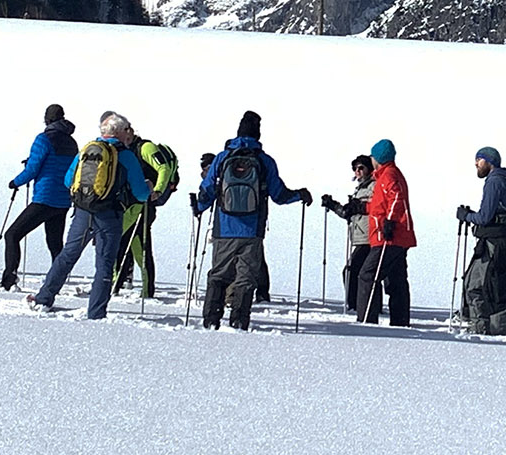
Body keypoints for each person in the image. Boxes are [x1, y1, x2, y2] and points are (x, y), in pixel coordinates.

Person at [193, 111, 311, 330]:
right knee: (246, 277)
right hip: (252, 229)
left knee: (219, 273)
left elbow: (208, 189)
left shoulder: (222, 157)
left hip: (224, 227)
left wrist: (198, 207)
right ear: (258, 135)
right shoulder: (264, 160)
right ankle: (239, 320)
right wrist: (299, 195)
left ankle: (210, 319)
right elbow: (279, 195)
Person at [27, 111, 150, 320]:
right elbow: (141, 193)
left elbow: (68, 180)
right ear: (119, 132)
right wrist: (147, 188)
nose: (129, 133)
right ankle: (96, 312)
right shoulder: (126, 155)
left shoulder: (87, 150)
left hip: (83, 211)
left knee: (68, 254)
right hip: (110, 214)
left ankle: (44, 297)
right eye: (127, 129)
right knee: (104, 263)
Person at [1, 104, 78, 291]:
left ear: (47, 120)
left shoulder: (43, 139)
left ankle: (9, 279)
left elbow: (33, 169)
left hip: (44, 197)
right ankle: (56, 281)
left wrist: (15, 182)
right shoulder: (71, 142)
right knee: (55, 242)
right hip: (63, 200)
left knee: (12, 235)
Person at [455, 146, 506, 336]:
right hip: (505, 240)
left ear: (489, 161)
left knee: (475, 285)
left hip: (494, 242)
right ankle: (495, 327)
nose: (476, 164)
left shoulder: (494, 182)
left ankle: (481, 328)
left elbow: (485, 216)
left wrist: (467, 216)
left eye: (479, 160)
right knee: (496, 283)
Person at [113, 129, 180, 299]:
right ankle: (122, 285)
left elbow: (163, 167)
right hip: (130, 206)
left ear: (130, 132)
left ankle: (141, 289)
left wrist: (157, 190)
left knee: (137, 247)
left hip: (143, 207)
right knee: (125, 245)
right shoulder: (125, 149)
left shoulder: (145, 148)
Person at [357, 139, 415, 325]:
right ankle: (400, 320)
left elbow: (396, 198)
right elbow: (380, 206)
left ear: (378, 158)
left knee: (368, 275)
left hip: (388, 237)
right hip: (397, 236)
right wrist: (360, 207)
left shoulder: (388, 175)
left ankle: (367, 319)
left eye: (373, 156)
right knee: (396, 279)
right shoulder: (386, 175)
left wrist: (389, 222)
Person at [321, 154, 375, 312]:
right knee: (361, 272)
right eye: (355, 168)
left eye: (361, 168)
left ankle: (356, 306)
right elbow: (348, 212)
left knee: (351, 271)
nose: (358, 171)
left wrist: (358, 206)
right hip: (361, 236)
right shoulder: (361, 188)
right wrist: (333, 205)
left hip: (368, 236)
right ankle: (363, 305)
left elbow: (375, 207)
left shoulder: (373, 186)